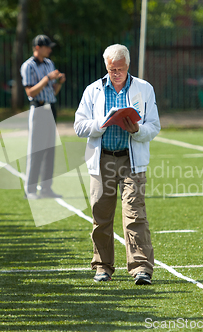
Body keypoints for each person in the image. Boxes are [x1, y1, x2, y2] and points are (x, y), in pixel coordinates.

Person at [74, 44, 160, 285]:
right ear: (106, 66)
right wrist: (101, 123)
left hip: (133, 160)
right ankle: (102, 267)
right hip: (102, 159)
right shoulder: (93, 90)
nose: (116, 73)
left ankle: (141, 267)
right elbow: (79, 125)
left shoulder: (144, 88)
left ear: (128, 66)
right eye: (112, 69)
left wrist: (138, 130)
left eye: (120, 69)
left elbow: (154, 125)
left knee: (135, 214)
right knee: (100, 215)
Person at [20, 34, 66, 199]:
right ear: (37, 47)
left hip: (50, 108)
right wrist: (47, 78)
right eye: (47, 46)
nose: (50, 49)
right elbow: (30, 92)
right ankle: (30, 190)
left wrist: (59, 82)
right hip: (38, 108)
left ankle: (46, 188)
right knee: (35, 150)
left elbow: (53, 91)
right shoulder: (28, 66)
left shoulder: (49, 63)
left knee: (49, 150)